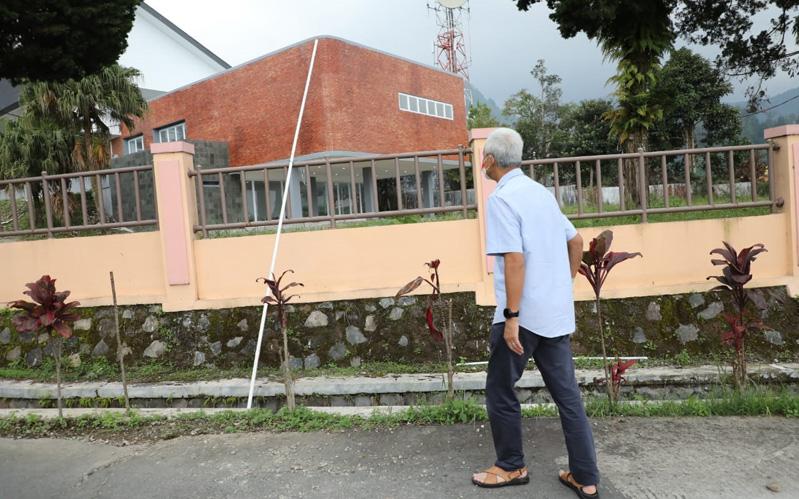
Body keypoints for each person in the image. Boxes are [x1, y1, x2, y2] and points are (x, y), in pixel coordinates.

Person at [470, 128, 600, 498]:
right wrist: (564, 283)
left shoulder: (502, 199)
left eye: (484, 159)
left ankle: (511, 466)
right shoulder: (541, 194)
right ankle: (585, 478)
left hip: (523, 318)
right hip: (555, 315)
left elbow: (514, 259)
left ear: (490, 160)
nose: (483, 163)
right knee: (568, 397)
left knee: (499, 389)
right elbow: (574, 241)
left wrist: (512, 316)